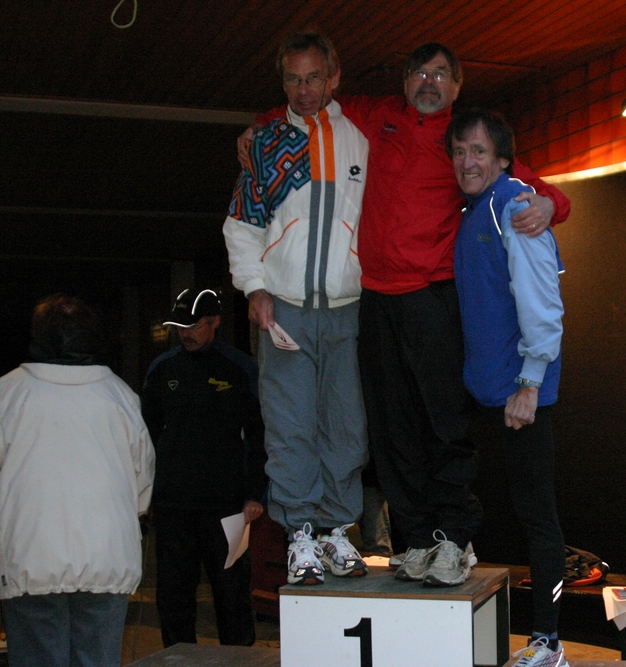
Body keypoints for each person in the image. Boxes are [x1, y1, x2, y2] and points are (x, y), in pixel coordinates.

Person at [240, 41, 571, 585]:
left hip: (432, 298)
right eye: (419, 72)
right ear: (405, 80)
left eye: (440, 74)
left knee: (443, 424)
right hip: (374, 299)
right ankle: (416, 539)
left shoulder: (462, 143)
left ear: (457, 85)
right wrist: (260, 127)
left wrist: (551, 203)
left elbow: (536, 187)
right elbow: (311, 98)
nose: (428, 82)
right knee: (392, 430)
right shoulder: (379, 115)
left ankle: (454, 538)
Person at [224, 31, 370, 585]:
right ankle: (301, 534)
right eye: (293, 79)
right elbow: (242, 224)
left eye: (313, 78)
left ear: (334, 77)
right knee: (289, 427)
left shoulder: (363, 139)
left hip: (349, 307)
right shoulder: (267, 144)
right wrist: (255, 288)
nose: (304, 90)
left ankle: (336, 530)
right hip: (282, 308)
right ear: (282, 83)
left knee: (347, 427)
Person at [447, 109, 567, 666]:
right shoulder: (476, 211)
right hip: (489, 392)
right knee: (507, 512)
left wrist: (530, 383)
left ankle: (549, 643)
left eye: (478, 151)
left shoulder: (515, 207)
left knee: (538, 518)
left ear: (501, 159)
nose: (466, 161)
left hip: (522, 396)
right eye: (459, 152)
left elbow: (543, 302)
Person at [0, 294, 155, 667]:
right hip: (107, 559)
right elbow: (143, 480)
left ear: (38, 335)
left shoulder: (8, 393)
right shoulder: (120, 395)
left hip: (29, 560)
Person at [141, 288, 267, 647]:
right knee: (173, 597)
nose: (186, 333)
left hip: (227, 507)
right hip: (173, 504)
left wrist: (255, 494)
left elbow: (260, 435)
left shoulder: (241, 368)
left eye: (194, 326)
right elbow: (145, 437)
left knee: (232, 596)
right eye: (180, 326)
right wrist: (145, 496)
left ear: (215, 323)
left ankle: (238, 661)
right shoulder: (163, 368)